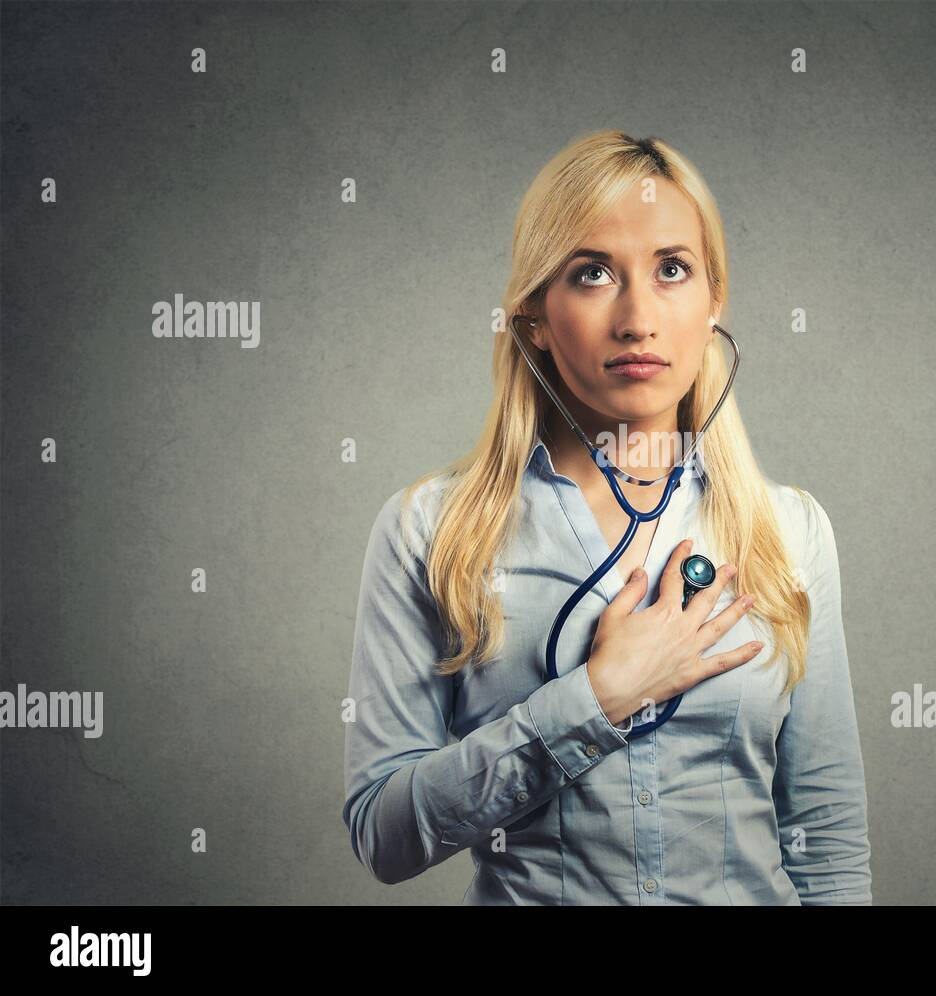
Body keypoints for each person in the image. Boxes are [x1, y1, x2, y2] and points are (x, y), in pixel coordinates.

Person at [342, 130, 872, 905]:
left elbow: (825, 837)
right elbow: (382, 835)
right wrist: (595, 700)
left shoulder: (790, 533)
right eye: (592, 274)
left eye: (672, 270)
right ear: (532, 317)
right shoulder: (430, 531)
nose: (638, 319)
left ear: (714, 297)